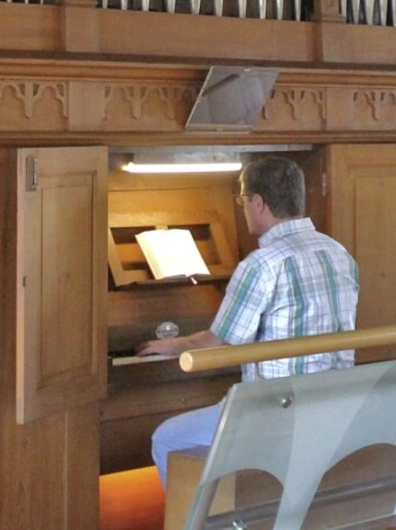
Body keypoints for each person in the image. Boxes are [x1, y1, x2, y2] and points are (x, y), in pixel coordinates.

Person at [137, 154, 359, 487]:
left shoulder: (262, 264)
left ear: (258, 203)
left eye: (242, 200)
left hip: (275, 412)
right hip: (333, 405)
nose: (243, 209)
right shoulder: (338, 252)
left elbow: (220, 342)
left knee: (167, 440)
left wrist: (169, 346)